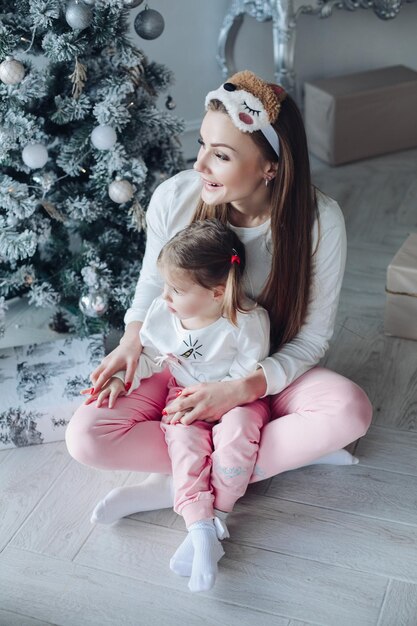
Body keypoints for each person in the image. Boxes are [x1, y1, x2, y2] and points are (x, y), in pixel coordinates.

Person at [66, 69, 372, 574]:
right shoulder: (178, 197)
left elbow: (313, 337)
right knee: (86, 438)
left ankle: (182, 487)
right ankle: (239, 466)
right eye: (204, 144)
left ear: (270, 167)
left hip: (264, 371)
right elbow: (151, 284)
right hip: (181, 363)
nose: (199, 163)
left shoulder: (319, 222)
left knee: (351, 412)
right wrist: (131, 340)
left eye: (222, 155)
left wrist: (240, 390)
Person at [86, 219, 270, 592]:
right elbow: (154, 358)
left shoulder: (247, 323)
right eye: (166, 286)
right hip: (182, 396)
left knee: (235, 439)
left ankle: (216, 517)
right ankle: (200, 528)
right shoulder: (163, 312)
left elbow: (245, 378)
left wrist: (219, 400)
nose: (165, 296)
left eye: (176, 289)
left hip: (236, 401)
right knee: (184, 446)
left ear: (217, 293)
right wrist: (126, 378)